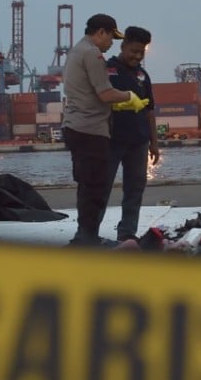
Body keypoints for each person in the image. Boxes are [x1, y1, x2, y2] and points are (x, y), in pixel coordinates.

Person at [61, 13, 149, 245]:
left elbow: (91, 94)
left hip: (80, 127)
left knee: (90, 187)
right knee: (95, 189)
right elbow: (105, 93)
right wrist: (128, 97)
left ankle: (89, 237)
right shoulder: (93, 55)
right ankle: (87, 239)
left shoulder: (75, 52)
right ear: (101, 32)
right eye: (111, 37)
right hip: (93, 130)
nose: (111, 43)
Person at [99, 26, 159, 242]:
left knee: (135, 189)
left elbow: (149, 110)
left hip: (138, 142)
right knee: (101, 189)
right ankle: (89, 232)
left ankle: (127, 233)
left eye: (141, 52)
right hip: (111, 141)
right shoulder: (106, 70)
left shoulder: (143, 76)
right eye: (134, 51)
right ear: (123, 46)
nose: (137, 56)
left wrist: (154, 143)